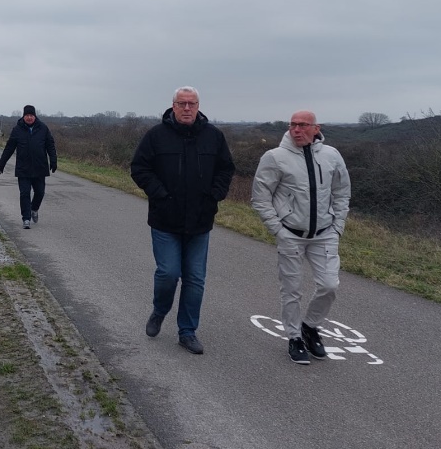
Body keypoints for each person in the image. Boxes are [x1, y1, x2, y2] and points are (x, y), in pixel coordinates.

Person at [129, 87, 235, 355]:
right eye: (182, 103)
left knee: (195, 279)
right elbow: (139, 168)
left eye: (192, 103)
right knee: (168, 273)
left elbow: (225, 169)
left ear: (198, 106)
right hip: (165, 219)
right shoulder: (156, 136)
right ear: (173, 106)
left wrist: (214, 196)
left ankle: (187, 332)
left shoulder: (214, 136)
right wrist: (160, 195)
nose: (187, 108)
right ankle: (159, 310)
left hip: (200, 220)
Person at [251, 110, 351, 365]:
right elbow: (260, 197)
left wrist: (338, 226)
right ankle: (294, 337)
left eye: (303, 125)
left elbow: (342, 192)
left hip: (325, 234)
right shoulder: (274, 157)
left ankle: (310, 326)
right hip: (291, 235)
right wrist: (278, 230)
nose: (297, 129)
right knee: (291, 290)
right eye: (293, 125)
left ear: (316, 128)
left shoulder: (332, 155)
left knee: (329, 285)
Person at [0, 105, 58, 229]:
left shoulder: (43, 128)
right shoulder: (17, 130)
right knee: (24, 193)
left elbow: (50, 145)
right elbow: (9, 148)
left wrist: (53, 160)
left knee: (40, 192)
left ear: (34, 116)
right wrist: (2, 163)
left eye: (31, 115)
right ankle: (26, 218)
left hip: (39, 167)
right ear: (23, 116)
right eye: (27, 115)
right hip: (23, 168)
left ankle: (34, 209)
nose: (29, 118)